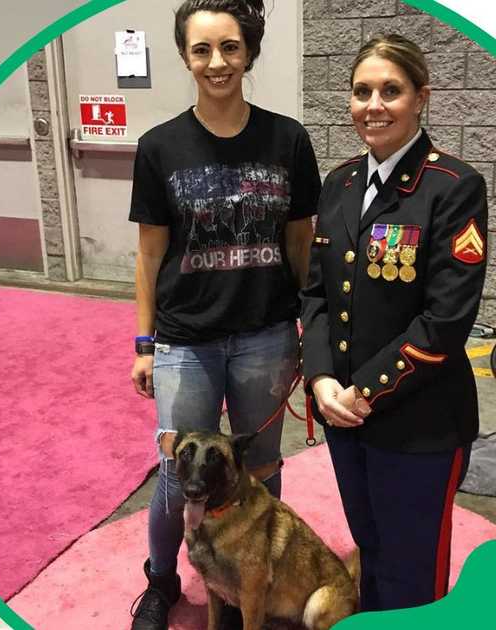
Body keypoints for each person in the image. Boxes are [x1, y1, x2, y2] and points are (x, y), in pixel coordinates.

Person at [126, 1, 321, 628]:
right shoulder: (159, 147)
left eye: (230, 48)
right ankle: (162, 582)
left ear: (249, 52)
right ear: (185, 55)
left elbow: (299, 242)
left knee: (258, 471)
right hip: (186, 342)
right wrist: (143, 342)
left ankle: (245, 585)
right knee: (174, 475)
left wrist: (309, 334)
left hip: (266, 337)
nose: (217, 62)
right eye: (203, 49)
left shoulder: (288, 139)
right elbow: (150, 252)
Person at [301, 33, 484, 612]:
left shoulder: (453, 188)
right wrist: (322, 379)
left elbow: (445, 321)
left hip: (418, 425)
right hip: (345, 418)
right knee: (370, 552)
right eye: (361, 91)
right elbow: (316, 295)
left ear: (420, 97)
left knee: (412, 575)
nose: (373, 104)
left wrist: (363, 391)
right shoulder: (339, 184)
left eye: (391, 90)